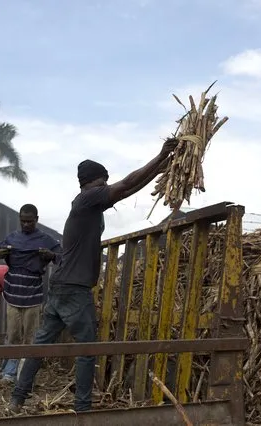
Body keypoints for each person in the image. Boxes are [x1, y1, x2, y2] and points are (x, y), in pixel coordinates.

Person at [10, 137, 178, 413]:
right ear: (94, 181)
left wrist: (158, 171)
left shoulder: (84, 203)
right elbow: (124, 185)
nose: (106, 185)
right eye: (104, 180)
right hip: (75, 289)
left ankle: (17, 398)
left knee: (41, 345)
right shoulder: (89, 198)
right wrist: (160, 156)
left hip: (61, 286)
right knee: (87, 350)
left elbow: (127, 189)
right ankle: (84, 409)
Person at [0, 204, 62, 382]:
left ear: (36, 220)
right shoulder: (12, 238)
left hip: (33, 297)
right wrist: (0, 253)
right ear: (20, 220)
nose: (26, 225)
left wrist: (50, 256)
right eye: (23, 221)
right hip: (13, 295)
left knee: (30, 338)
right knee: (13, 335)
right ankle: (9, 373)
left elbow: (61, 255)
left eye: (30, 221)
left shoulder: (45, 239)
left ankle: (25, 377)